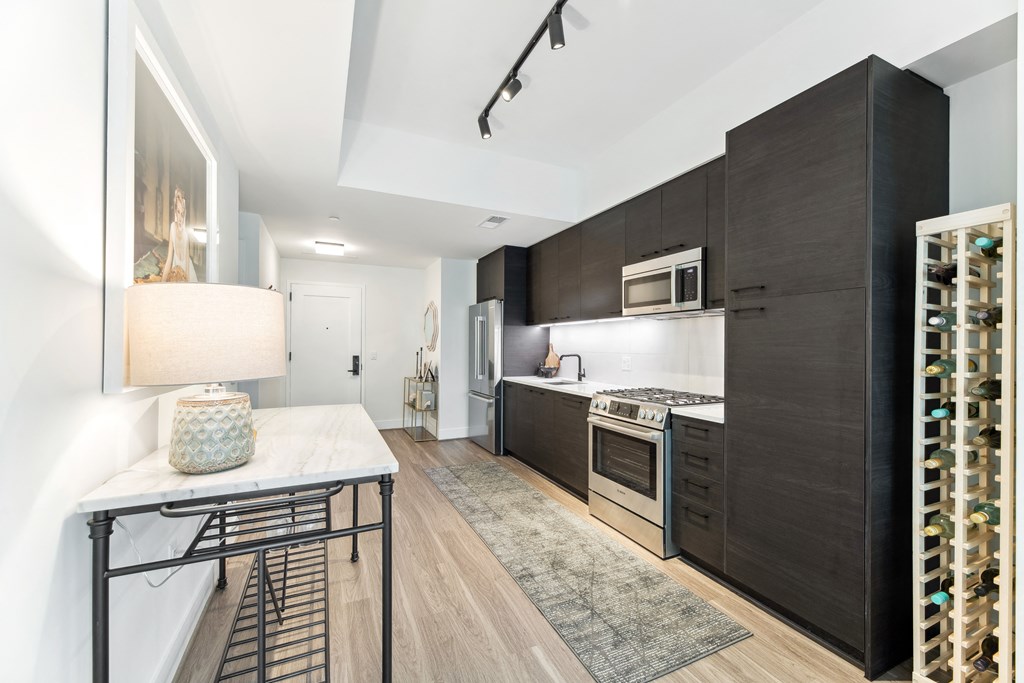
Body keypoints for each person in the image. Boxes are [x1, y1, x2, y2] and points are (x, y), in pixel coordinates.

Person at [161, 186, 198, 282]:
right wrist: (161, 283)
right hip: (176, 269)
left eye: (182, 213)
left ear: (185, 214)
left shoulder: (186, 233)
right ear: (175, 212)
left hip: (187, 273)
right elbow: (169, 258)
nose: (180, 217)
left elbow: (187, 266)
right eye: (178, 212)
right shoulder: (172, 227)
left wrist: (186, 282)